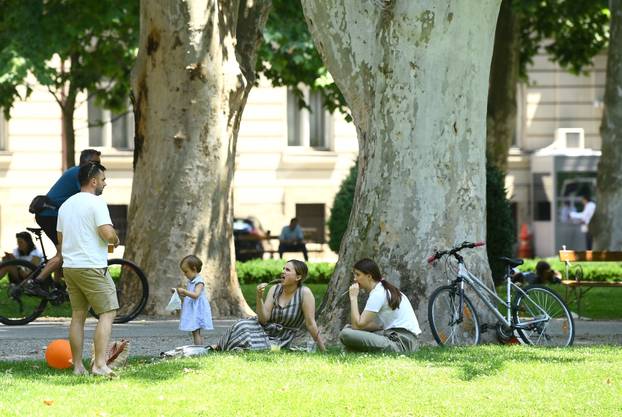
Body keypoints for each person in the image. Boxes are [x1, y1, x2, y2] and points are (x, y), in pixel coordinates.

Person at [57, 162, 120, 376]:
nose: (105, 183)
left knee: (78, 315)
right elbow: (106, 233)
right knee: (108, 311)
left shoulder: (65, 205)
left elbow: (60, 239)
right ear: (93, 181)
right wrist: (115, 237)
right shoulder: (96, 203)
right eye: (103, 179)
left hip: (71, 267)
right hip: (91, 266)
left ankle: (77, 367)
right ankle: (100, 365)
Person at [215, 259, 326, 352]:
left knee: (254, 342)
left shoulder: (304, 293)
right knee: (241, 325)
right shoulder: (275, 289)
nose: (283, 272)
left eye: (287, 270)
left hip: (282, 337)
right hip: (265, 329)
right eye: (283, 269)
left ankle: (237, 348)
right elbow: (263, 320)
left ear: (298, 277)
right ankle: (218, 347)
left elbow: (310, 323)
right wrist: (259, 297)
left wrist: (322, 348)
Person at [32, 149, 102, 287]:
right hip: (50, 215)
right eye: (96, 163)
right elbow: (88, 197)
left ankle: (57, 286)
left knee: (64, 250)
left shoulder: (79, 172)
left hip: (52, 215)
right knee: (65, 251)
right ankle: (36, 282)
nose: (99, 166)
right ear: (87, 162)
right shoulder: (79, 174)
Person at [340, 258, 421, 353]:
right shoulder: (382, 289)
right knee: (348, 329)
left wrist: (353, 298)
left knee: (346, 333)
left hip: (402, 343)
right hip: (397, 337)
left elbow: (358, 325)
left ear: (369, 276)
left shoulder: (378, 294)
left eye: (358, 275)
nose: (355, 279)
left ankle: (352, 350)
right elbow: (374, 326)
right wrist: (356, 329)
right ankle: (354, 350)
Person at [175, 255, 213, 345]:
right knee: (195, 331)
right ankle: (199, 347)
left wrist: (185, 291)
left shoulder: (199, 282)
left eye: (186, 272)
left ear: (194, 269)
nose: (185, 274)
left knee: (196, 331)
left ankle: (198, 349)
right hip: (193, 308)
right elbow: (190, 294)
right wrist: (183, 293)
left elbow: (196, 295)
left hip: (197, 310)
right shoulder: (192, 281)